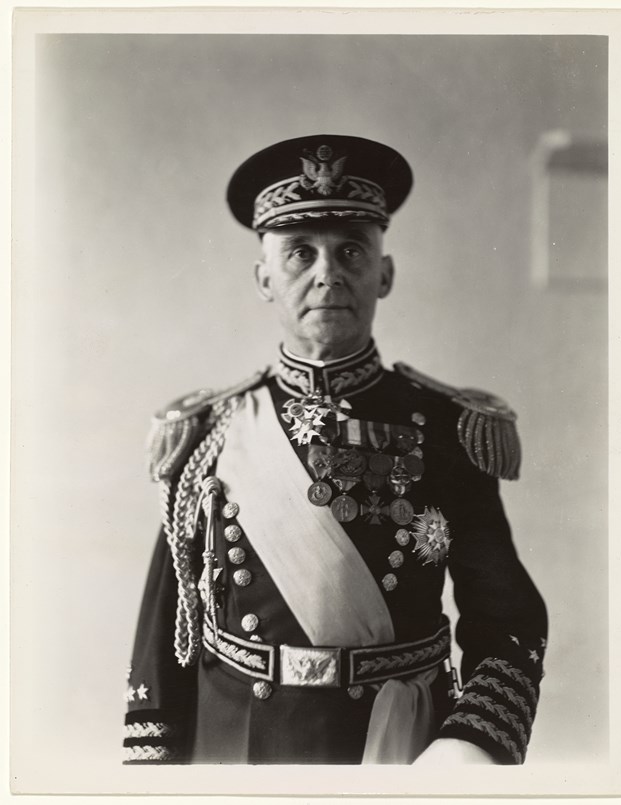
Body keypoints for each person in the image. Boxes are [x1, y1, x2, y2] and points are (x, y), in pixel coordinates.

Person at [122, 135, 547, 766]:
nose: (328, 272)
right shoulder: (211, 430)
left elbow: (508, 615)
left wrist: (471, 743)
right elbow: (167, 640)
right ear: (265, 278)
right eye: (300, 253)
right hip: (233, 745)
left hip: (396, 746)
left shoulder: (446, 428)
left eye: (351, 250)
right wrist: (149, 772)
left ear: (385, 272)